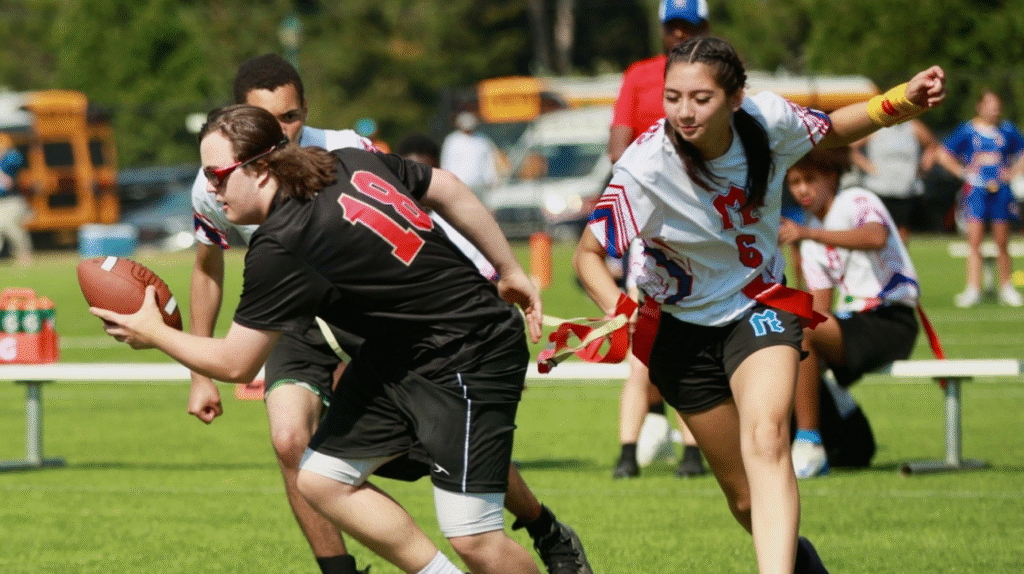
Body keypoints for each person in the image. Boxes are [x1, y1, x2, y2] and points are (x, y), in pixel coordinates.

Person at [97, 103, 544, 574]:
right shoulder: (348, 161)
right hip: (404, 352)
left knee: (474, 537)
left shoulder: (284, 241)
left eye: (218, 175)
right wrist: (510, 270)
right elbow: (446, 187)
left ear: (262, 168)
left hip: (466, 351)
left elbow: (236, 364)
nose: (210, 188)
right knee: (323, 479)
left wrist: (152, 333)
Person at [188, 55, 591, 574]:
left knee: (454, 471)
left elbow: (426, 219)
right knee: (300, 452)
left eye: (290, 117)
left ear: (305, 110)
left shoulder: (342, 153)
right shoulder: (216, 185)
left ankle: (540, 524)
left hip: (391, 322)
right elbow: (207, 269)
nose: (281, 132)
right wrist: (199, 375)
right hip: (295, 314)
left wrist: (495, 275)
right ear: (237, 120)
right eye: (266, 119)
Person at [574, 36, 945, 573]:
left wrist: (903, 101)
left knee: (768, 438)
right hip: (680, 334)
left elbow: (836, 127)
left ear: (735, 98)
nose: (683, 111)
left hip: (759, 305)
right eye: (673, 97)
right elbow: (589, 255)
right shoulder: (645, 167)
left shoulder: (769, 121)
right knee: (745, 499)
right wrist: (621, 312)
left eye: (700, 98)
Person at [607, 0, 710, 480]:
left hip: (702, 226)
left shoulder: (720, 76)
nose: (678, 35)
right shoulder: (640, 75)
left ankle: (692, 451)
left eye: (687, 27)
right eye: (672, 26)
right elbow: (618, 141)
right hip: (651, 225)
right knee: (640, 345)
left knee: (692, 345)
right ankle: (629, 451)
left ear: (704, 28)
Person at [779, 146, 921, 478]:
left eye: (809, 179)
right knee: (780, 339)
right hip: (855, 325)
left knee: (799, 329)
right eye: (794, 181)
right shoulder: (812, 237)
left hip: (891, 319)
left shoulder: (855, 199)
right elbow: (819, 311)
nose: (801, 189)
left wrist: (809, 234)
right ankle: (841, 434)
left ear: (831, 177)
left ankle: (810, 443)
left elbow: (876, 236)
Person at [936, 89, 1024, 308]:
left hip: (1001, 191)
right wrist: (963, 173)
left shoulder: (1008, 130)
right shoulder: (967, 131)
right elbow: (943, 154)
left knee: (1002, 242)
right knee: (974, 242)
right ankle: (973, 289)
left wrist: (1012, 172)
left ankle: (1007, 288)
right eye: (990, 105)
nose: (995, 110)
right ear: (980, 107)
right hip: (975, 191)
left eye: (998, 105)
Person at [849, 119, 938, 244]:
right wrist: (867, 166)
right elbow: (850, 148)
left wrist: (923, 168)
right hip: (878, 189)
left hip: (906, 190)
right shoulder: (875, 127)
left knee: (902, 235)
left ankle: (898, 263)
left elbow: (932, 146)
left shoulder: (913, 126)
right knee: (877, 233)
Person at [439, 110, 500, 197]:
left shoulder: (482, 140)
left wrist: (492, 179)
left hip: (479, 184)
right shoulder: (452, 140)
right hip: (459, 184)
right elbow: (446, 162)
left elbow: (489, 162)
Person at [0, 133, 33, 266]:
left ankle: (24, 254)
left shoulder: (11, 157)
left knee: (7, 224)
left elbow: (7, 181)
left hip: (11, 201)